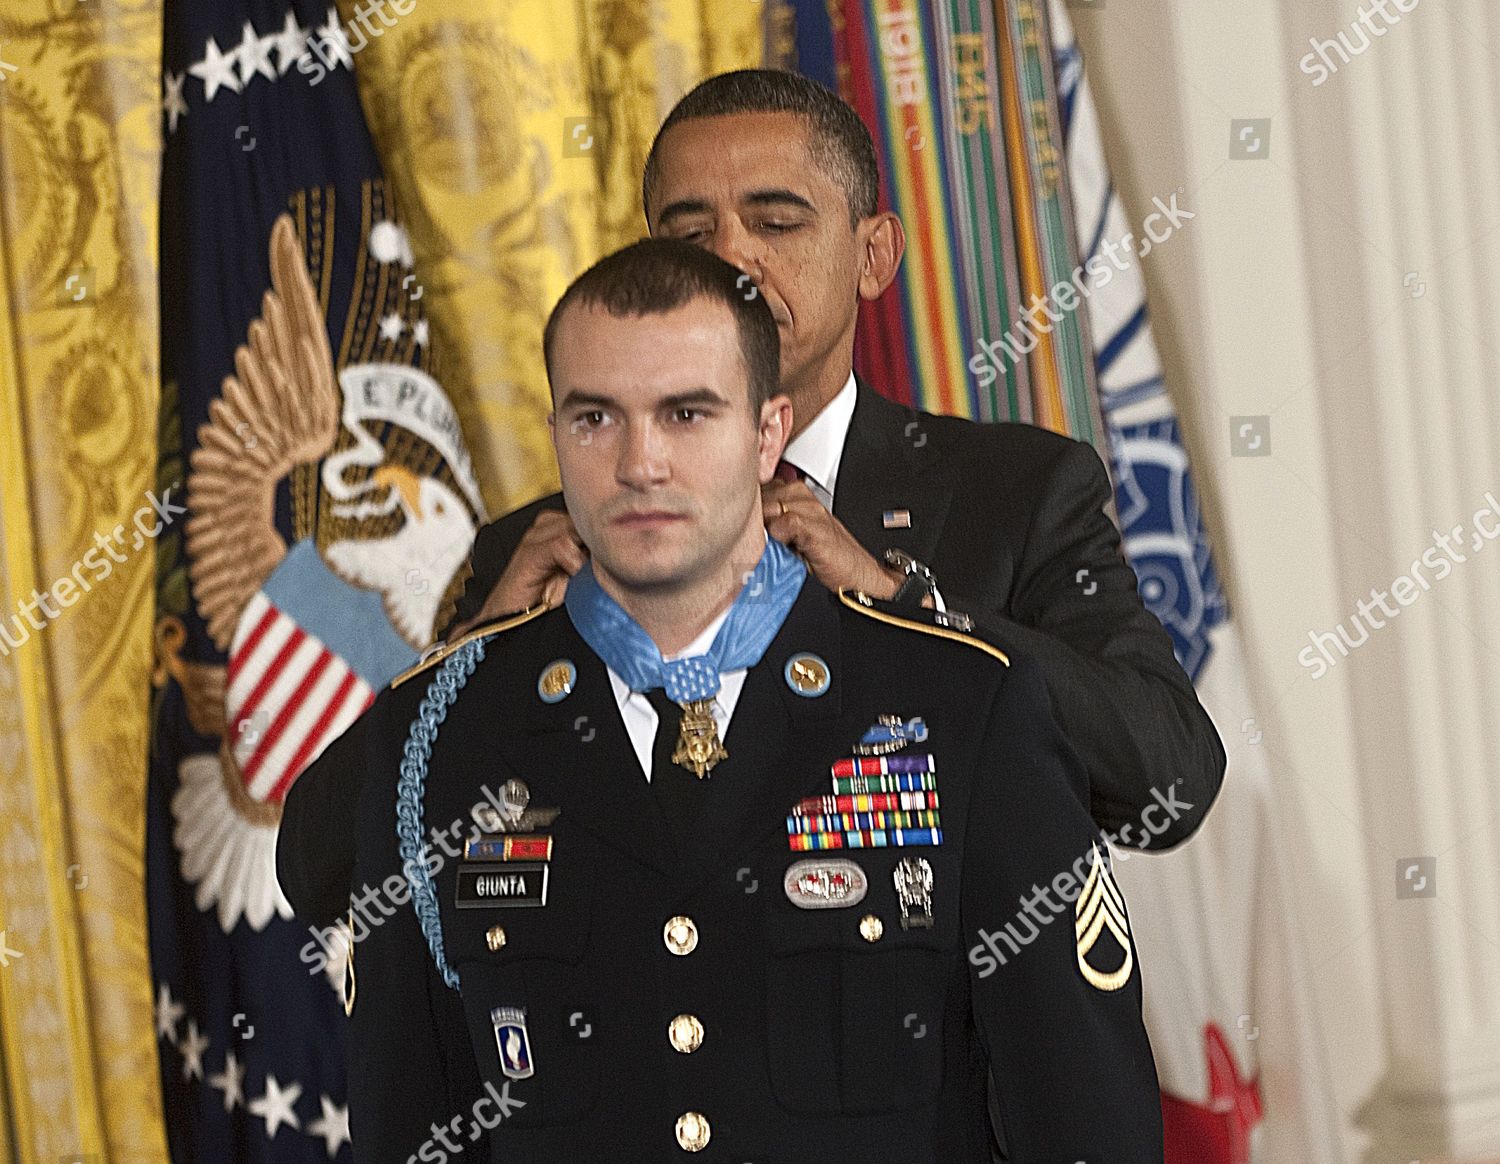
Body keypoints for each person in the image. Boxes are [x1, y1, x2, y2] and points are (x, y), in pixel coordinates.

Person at [323, 239, 1163, 1161]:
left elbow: (1085, 1122)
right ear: (556, 432)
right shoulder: (437, 737)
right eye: (597, 418)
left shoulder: (963, 708)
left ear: (768, 434)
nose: (641, 463)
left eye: (687, 413)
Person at [445, 68, 1222, 851]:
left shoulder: (1017, 494)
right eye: (689, 235)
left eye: (776, 223)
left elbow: (1170, 779)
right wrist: (475, 660)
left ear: (873, 255)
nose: (730, 261)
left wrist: (901, 604)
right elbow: (328, 865)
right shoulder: (542, 551)